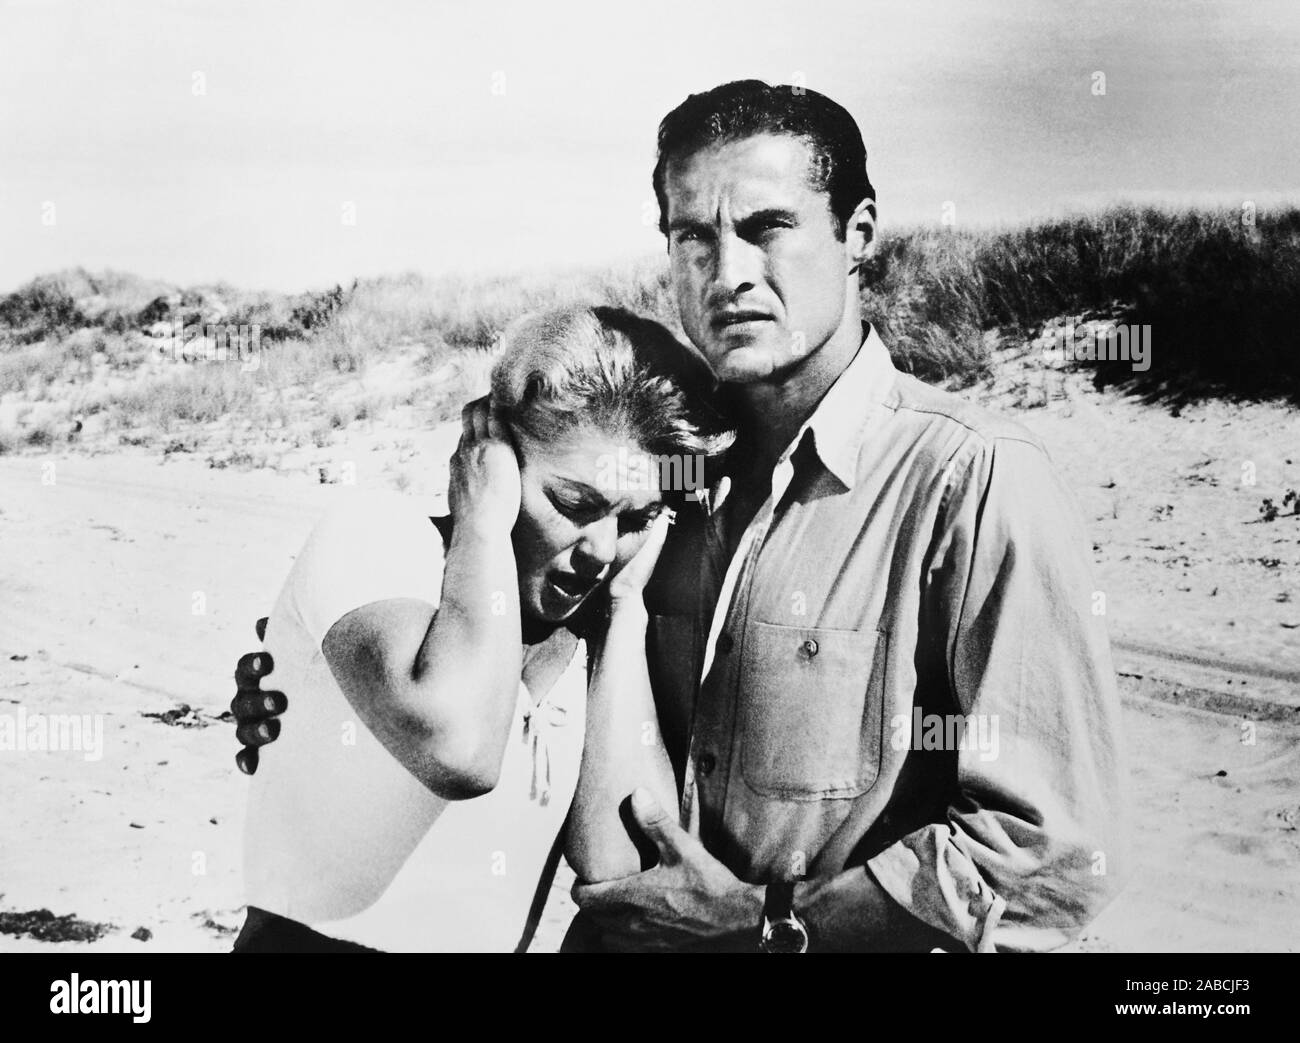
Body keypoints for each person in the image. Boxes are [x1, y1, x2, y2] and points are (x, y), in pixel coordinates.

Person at [238, 81, 1129, 953]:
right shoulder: (662, 481)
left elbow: (1045, 853)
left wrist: (768, 922)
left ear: (859, 233)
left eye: (767, 227)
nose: (729, 271)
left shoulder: (973, 479)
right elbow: (501, 649)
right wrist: (309, 683)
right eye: (693, 236)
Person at [232, 304, 731, 952]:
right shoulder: (378, 539)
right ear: (492, 456)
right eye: (574, 504)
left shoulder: (590, 639)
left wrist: (629, 607)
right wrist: (482, 526)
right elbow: (461, 748)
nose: (602, 549)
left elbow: (623, 864)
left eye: (635, 520)